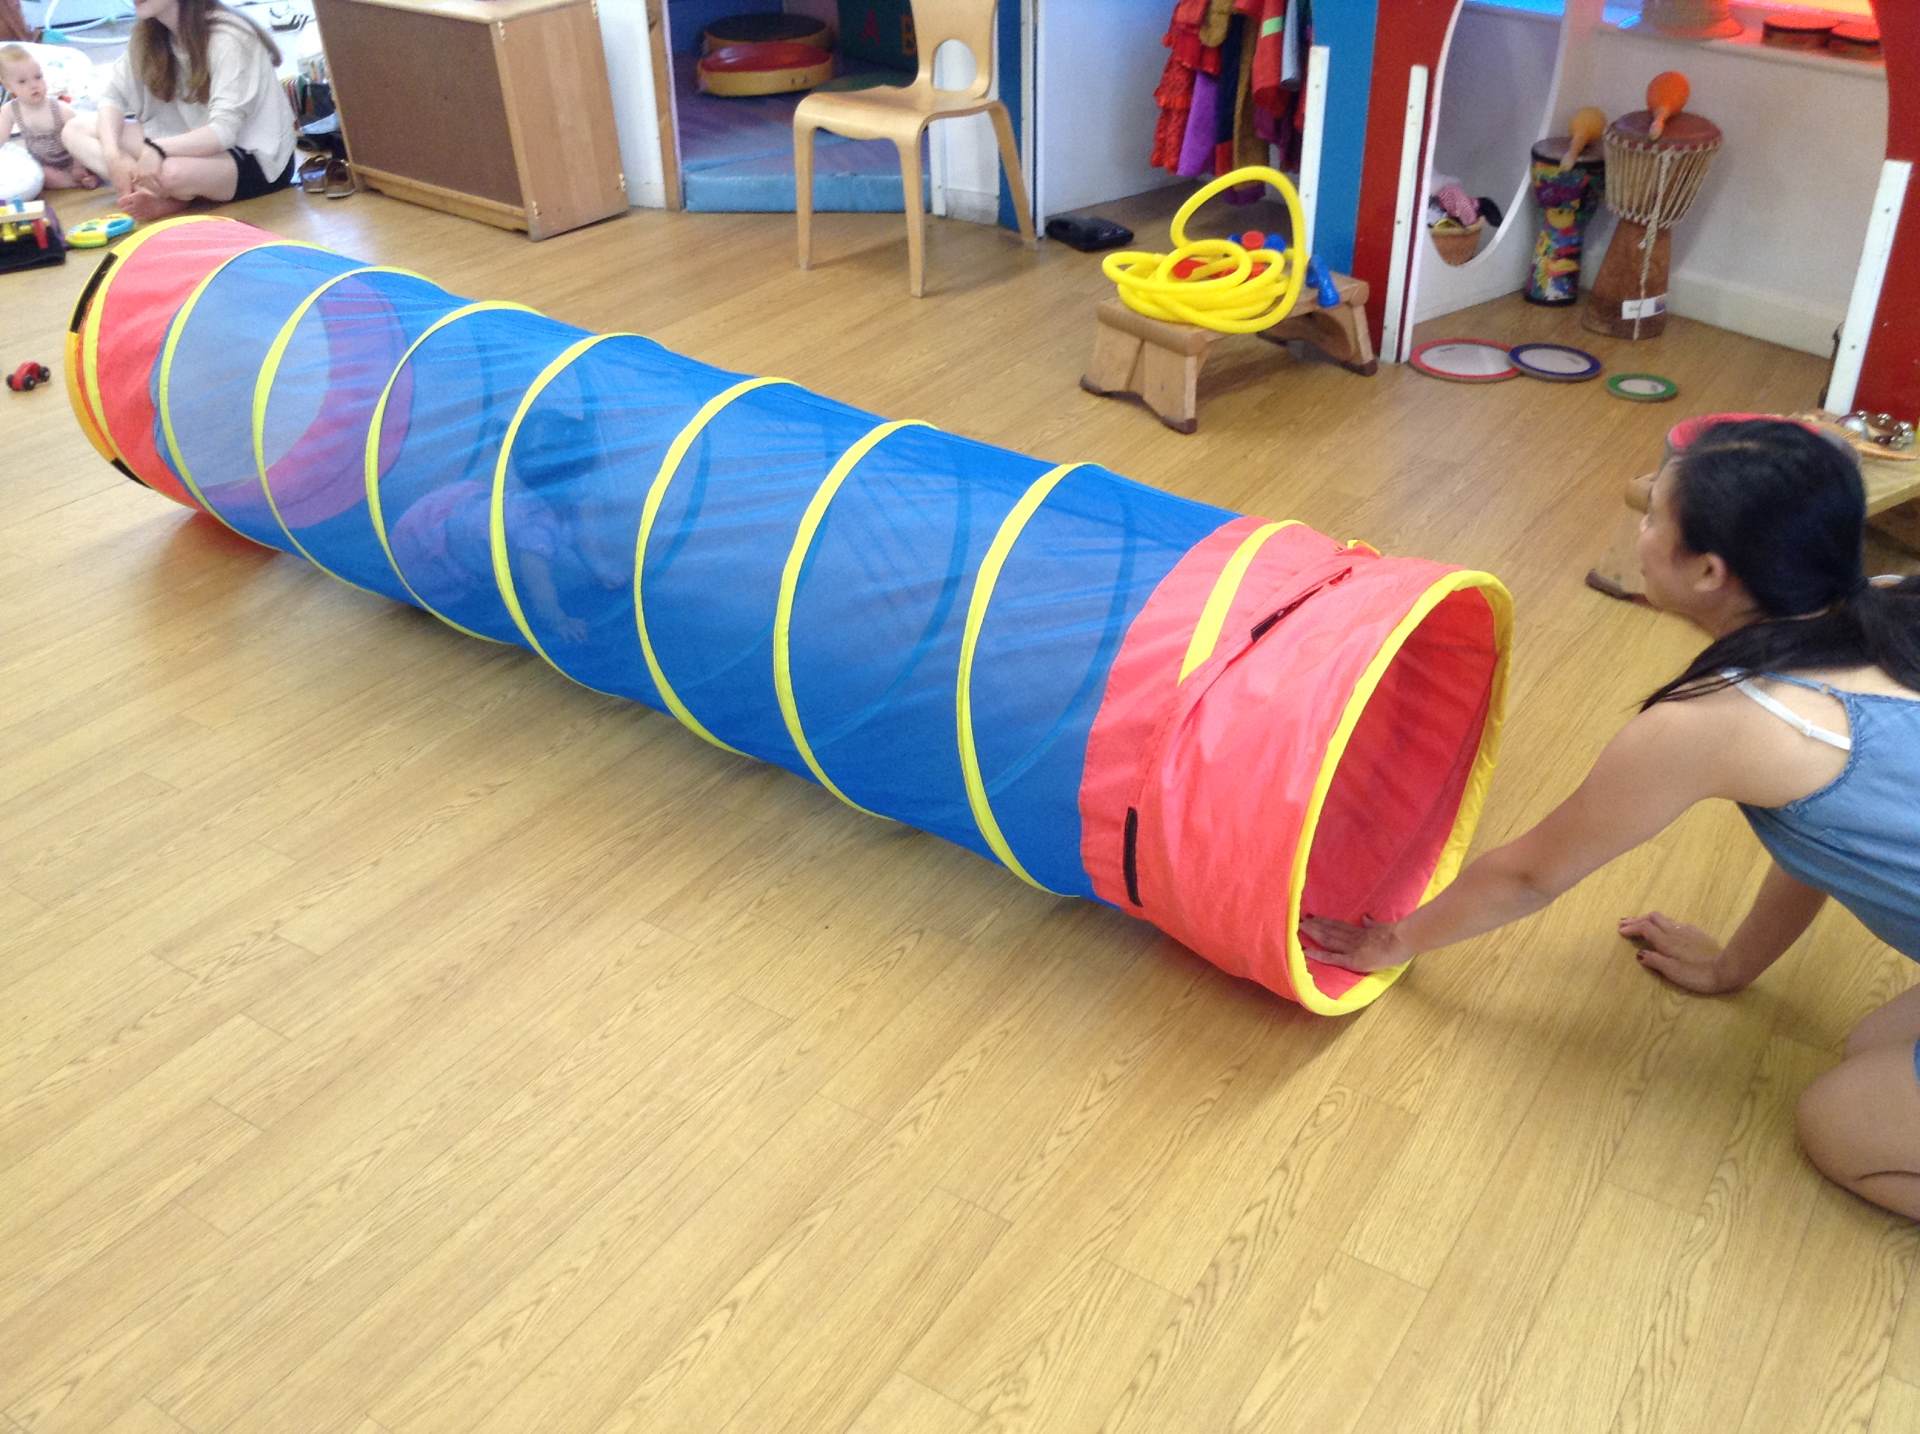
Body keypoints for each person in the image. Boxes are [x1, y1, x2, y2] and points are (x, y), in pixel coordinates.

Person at [1302, 419, 1920, 1220]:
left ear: (1709, 572)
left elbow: (1530, 875)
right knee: (1870, 1050)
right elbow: (1825, 837)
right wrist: (1733, 966)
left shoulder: (1726, 722)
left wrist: (1393, 940)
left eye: (1654, 515)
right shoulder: (1888, 605)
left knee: (1837, 1123)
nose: (1640, 521)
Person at [61, 0, 294, 222]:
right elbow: (112, 98)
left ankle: (168, 194)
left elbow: (223, 133)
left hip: (254, 159)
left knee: (170, 172)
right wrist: (114, 157)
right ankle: (158, 190)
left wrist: (156, 150)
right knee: (75, 129)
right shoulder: (150, 34)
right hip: (185, 144)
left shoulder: (228, 37)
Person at [1, 45, 98, 189]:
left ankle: (88, 177)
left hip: (73, 157)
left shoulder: (59, 108)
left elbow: (81, 138)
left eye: (38, 77)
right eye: (22, 82)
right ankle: (75, 183)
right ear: (8, 86)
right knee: (42, 176)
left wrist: (79, 166)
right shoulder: (10, 110)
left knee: (95, 156)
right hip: (46, 165)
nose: (34, 85)